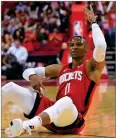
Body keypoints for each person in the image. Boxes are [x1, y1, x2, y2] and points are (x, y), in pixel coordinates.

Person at [2, 6, 107, 137]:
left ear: (87, 49)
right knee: (9, 88)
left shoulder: (90, 68)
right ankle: (26, 124)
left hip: (73, 119)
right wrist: (33, 77)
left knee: (66, 101)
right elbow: (27, 71)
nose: (74, 47)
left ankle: (25, 126)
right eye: (72, 45)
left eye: (79, 44)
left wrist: (94, 23)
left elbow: (101, 46)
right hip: (53, 117)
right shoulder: (61, 68)